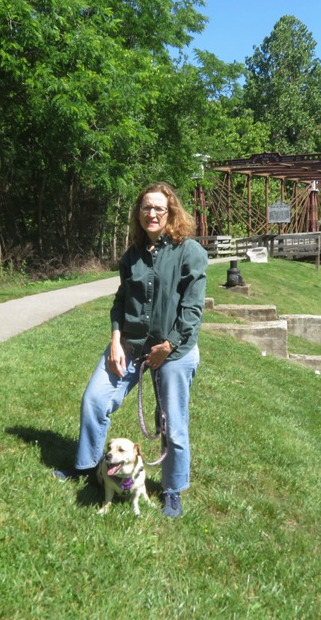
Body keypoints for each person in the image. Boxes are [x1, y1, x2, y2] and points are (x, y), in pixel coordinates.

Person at [54, 182, 208, 518]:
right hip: (131, 345)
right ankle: (88, 469)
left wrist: (169, 347)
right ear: (137, 214)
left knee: (173, 424)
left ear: (171, 213)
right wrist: (114, 341)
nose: (151, 214)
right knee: (94, 399)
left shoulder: (189, 251)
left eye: (158, 209)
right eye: (145, 208)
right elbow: (121, 302)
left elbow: (193, 310)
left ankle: (172, 491)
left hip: (175, 350)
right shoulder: (131, 256)